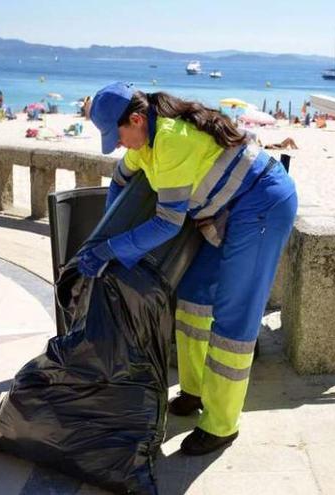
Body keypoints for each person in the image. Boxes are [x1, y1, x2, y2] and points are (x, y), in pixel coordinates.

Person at [84, 82, 297, 455]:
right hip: (225, 209)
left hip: (262, 206)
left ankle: (221, 425)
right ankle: (194, 390)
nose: (117, 144)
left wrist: (110, 250)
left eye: (116, 135)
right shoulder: (145, 140)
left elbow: (167, 224)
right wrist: (105, 231)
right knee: (194, 294)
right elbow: (121, 179)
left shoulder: (170, 140)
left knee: (234, 316)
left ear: (136, 119)